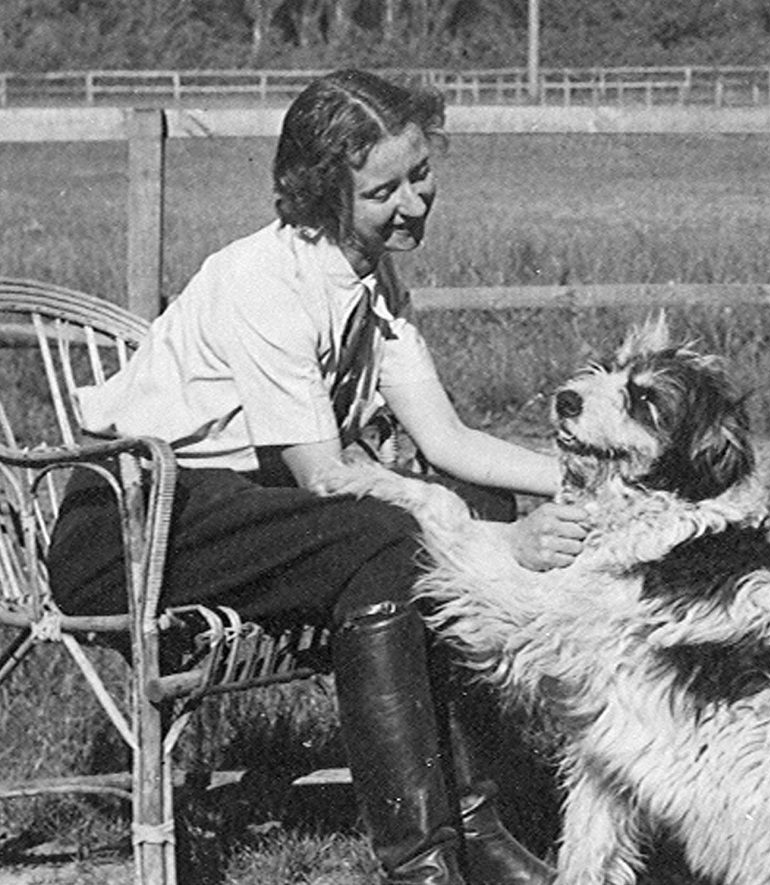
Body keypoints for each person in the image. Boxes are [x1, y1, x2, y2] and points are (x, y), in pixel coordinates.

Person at [48, 69, 588, 885]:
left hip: (239, 509)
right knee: (392, 531)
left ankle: (477, 831)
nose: (413, 203)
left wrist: (578, 484)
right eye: (384, 191)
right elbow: (328, 479)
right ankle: (421, 861)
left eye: (420, 175)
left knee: (465, 500)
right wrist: (505, 543)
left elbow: (445, 438)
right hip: (130, 526)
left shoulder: (370, 275)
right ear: (323, 194)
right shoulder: (267, 280)